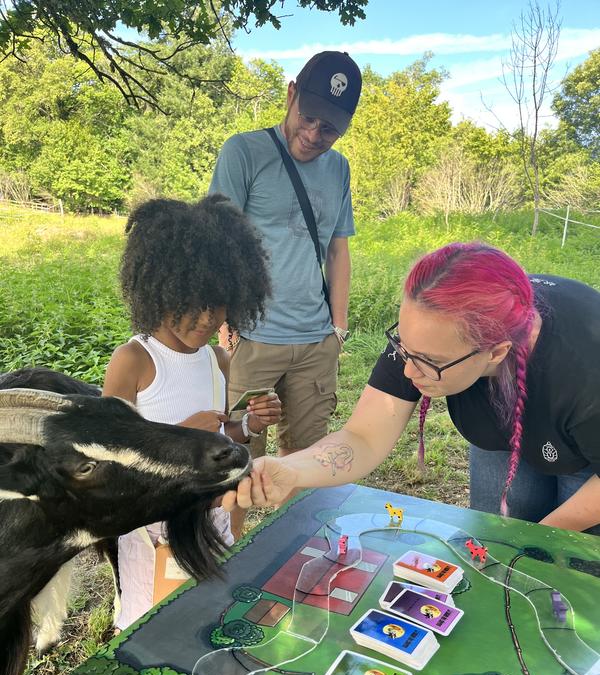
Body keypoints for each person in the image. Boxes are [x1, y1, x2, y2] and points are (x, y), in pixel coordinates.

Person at [222, 242, 600, 535]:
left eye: (427, 361)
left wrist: (540, 542)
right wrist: (291, 469)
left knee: (573, 563)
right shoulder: (427, 334)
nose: (406, 368)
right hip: (506, 426)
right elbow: (363, 436)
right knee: (495, 530)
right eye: (404, 347)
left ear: (496, 352)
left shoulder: (585, 368)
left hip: (588, 447)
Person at [103, 195, 282, 630]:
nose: (206, 317)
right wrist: (179, 438)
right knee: (152, 621)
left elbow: (221, 440)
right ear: (159, 289)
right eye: (192, 301)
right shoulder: (134, 361)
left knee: (209, 609)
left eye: (218, 303)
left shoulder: (218, 360)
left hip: (212, 515)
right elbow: (108, 457)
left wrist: (248, 425)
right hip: (154, 528)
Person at [209, 51, 362, 531]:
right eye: (309, 118)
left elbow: (338, 250)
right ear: (291, 94)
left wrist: (337, 327)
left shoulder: (339, 170)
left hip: (316, 343)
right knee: (237, 460)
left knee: (308, 457)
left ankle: (296, 549)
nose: (314, 135)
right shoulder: (243, 152)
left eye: (329, 129)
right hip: (253, 340)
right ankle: (231, 558)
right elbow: (217, 245)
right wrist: (222, 324)